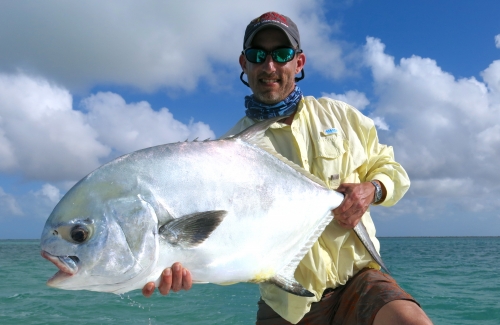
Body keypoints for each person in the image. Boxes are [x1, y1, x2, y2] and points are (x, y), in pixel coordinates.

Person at [143, 11, 433, 325]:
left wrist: (372, 189)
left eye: (281, 55)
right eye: (258, 55)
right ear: (245, 64)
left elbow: (391, 169)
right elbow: (225, 243)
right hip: (286, 301)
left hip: (359, 282)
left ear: (299, 62)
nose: (270, 66)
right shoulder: (224, 154)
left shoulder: (342, 117)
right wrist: (186, 265)